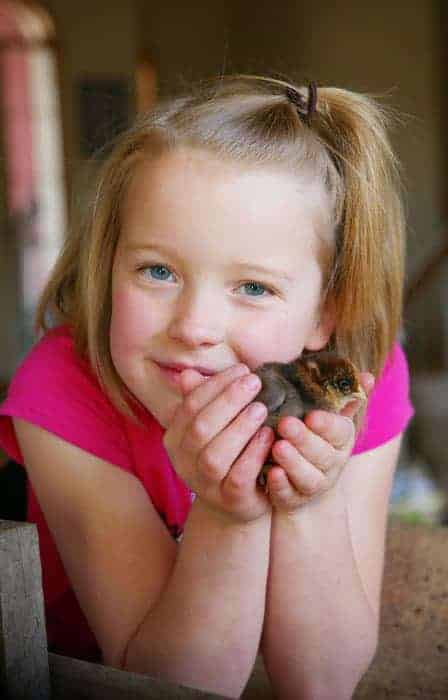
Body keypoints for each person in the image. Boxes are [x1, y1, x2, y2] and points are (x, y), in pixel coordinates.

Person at [0, 74, 414, 699]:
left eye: (253, 287)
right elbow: (173, 685)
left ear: (325, 315)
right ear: (107, 266)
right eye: (158, 271)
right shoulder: (63, 388)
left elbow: (322, 681)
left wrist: (311, 503)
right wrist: (229, 517)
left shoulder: (354, 383)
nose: (194, 328)